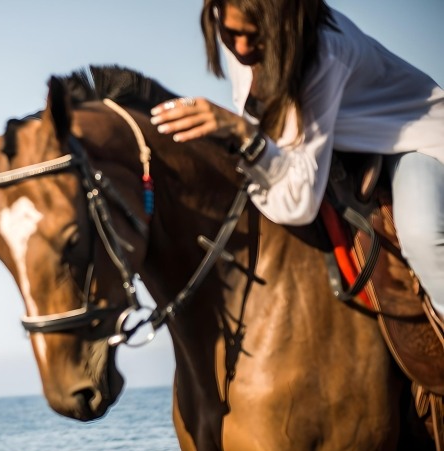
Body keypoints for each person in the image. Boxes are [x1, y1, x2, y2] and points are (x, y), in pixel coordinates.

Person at [149, 0, 444, 315]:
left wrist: (242, 131)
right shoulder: (234, 25)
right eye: (233, 33)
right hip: (342, 142)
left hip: (413, 139)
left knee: (422, 235)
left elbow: (300, 201)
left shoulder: (326, 54)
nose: (242, 48)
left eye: (257, 37)